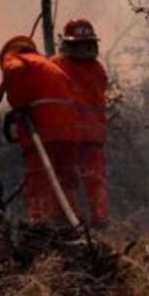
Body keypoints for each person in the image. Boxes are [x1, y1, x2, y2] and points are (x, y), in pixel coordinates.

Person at [0, 35, 79, 224]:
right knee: (65, 182)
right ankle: (69, 225)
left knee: (38, 180)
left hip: (45, 131)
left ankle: (40, 225)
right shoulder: (46, 65)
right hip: (69, 133)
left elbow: (14, 71)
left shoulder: (15, 60)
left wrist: (19, 103)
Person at [52, 19, 110, 227]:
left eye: (87, 43)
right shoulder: (58, 66)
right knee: (69, 179)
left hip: (85, 137)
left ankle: (97, 221)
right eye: (79, 44)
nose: (84, 48)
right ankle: (74, 222)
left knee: (94, 180)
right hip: (69, 136)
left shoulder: (95, 69)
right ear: (69, 44)